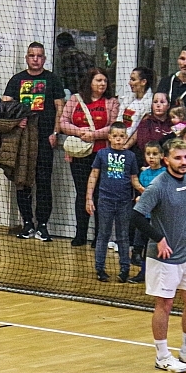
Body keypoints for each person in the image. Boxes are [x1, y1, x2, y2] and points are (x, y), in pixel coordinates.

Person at [130, 136, 186, 373]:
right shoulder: (158, 186)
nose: (183, 162)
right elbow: (136, 216)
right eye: (178, 158)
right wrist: (159, 238)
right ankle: (162, 356)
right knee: (165, 305)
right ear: (166, 159)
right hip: (163, 257)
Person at [0, 41, 67, 240]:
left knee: (44, 182)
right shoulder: (16, 80)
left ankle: (42, 225)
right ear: (26, 58)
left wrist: (55, 133)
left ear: (44, 59)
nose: (35, 59)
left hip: (45, 139)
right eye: (32, 55)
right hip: (22, 140)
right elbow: (4, 107)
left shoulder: (52, 80)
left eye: (39, 56)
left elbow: (60, 108)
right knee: (22, 181)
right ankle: (27, 223)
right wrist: (15, 121)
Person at [60, 68, 114, 246]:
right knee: (82, 192)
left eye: (104, 81)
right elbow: (63, 123)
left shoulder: (112, 102)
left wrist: (94, 135)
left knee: (100, 194)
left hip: (101, 154)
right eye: (98, 80)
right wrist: (79, 132)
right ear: (89, 82)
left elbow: (114, 126)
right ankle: (80, 234)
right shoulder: (75, 99)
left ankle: (99, 237)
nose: (102, 84)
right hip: (79, 154)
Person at [87, 124, 140, 283]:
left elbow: (134, 180)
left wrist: (145, 190)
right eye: (115, 136)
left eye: (122, 136)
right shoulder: (102, 154)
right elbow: (93, 175)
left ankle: (125, 269)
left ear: (126, 138)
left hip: (124, 202)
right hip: (105, 201)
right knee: (103, 234)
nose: (118, 139)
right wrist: (89, 198)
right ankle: (100, 268)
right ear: (109, 137)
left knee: (123, 236)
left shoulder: (130, 156)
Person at [132, 91, 173, 155]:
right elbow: (144, 145)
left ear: (168, 105)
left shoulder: (173, 123)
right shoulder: (145, 123)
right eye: (155, 102)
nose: (158, 105)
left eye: (162, 102)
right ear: (152, 105)